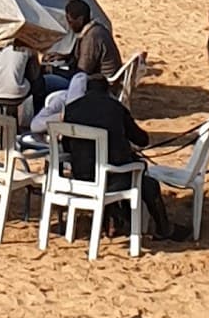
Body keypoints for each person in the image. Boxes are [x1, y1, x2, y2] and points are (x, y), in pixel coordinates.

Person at [58, 76, 187, 242]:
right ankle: (164, 229)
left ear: (86, 91)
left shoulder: (71, 109)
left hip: (81, 177)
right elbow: (142, 139)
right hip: (109, 178)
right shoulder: (115, 108)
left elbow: (68, 146)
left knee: (123, 170)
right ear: (108, 91)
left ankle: (115, 218)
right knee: (148, 184)